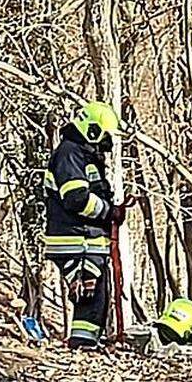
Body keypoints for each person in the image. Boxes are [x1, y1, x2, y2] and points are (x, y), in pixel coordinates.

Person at [43, 101, 125, 349]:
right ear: (92, 130)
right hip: (75, 240)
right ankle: (82, 348)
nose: (108, 144)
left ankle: (85, 346)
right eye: (106, 136)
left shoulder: (80, 155)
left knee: (94, 299)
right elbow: (76, 199)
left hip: (85, 239)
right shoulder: (70, 154)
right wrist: (109, 212)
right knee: (89, 298)